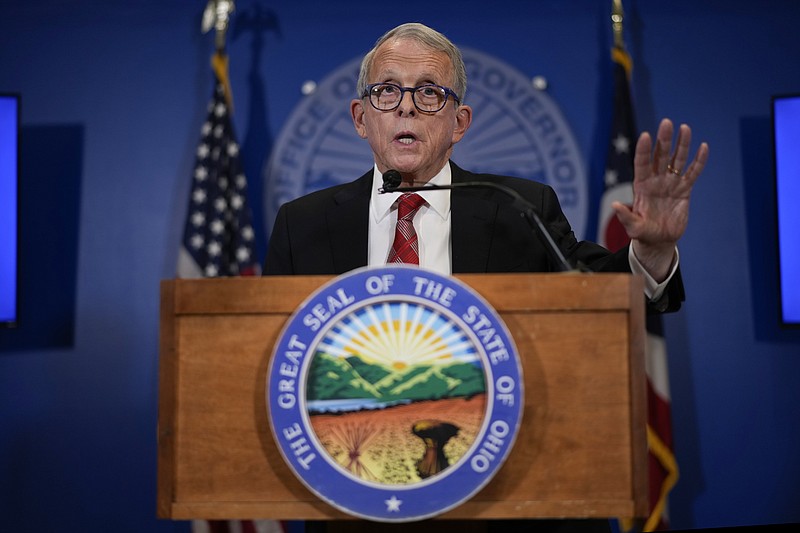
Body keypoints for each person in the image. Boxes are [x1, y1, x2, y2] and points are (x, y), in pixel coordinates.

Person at [264, 22, 708, 532]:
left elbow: (600, 292)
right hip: (356, 499)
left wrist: (651, 250)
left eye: (429, 93)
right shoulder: (304, 223)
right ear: (361, 118)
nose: (406, 107)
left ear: (460, 122)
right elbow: (274, 356)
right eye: (388, 91)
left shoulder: (517, 207)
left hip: (505, 497)